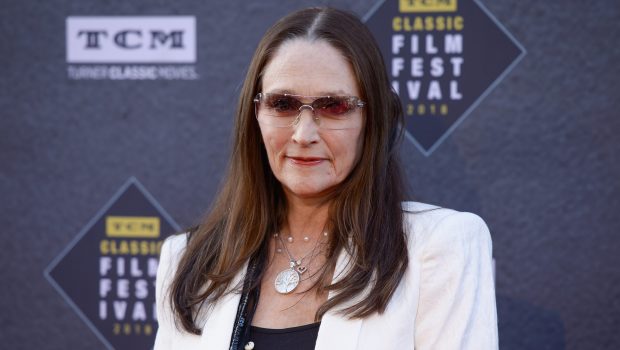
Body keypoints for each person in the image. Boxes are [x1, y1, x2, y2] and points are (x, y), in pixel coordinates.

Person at [154, 7, 498, 350]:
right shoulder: (189, 261)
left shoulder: (438, 248)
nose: (304, 134)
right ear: (255, 114)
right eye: (283, 104)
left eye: (333, 106)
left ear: (373, 120)